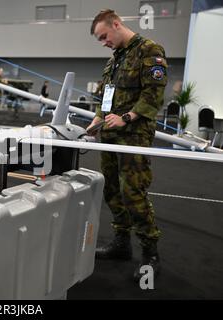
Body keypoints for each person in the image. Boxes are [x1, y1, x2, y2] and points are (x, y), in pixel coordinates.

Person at [86, 9, 168, 281]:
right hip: (110, 134)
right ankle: (121, 244)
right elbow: (106, 97)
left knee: (133, 192)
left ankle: (150, 254)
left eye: (104, 36)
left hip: (134, 135)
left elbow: (153, 96)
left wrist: (126, 118)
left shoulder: (150, 50)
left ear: (117, 24)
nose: (103, 42)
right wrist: (98, 120)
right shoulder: (115, 60)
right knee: (111, 189)